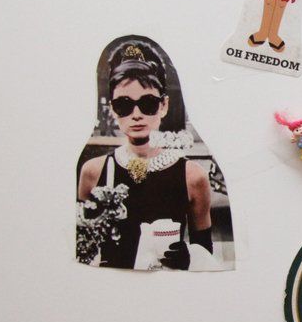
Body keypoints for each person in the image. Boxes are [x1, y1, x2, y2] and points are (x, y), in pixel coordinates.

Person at [77, 41, 212, 269]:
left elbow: (205, 253)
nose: (136, 114)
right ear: (112, 110)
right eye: (124, 105)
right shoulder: (93, 171)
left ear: (163, 105)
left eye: (148, 103)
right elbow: (81, 248)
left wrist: (189, 257)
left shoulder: (192, 176)